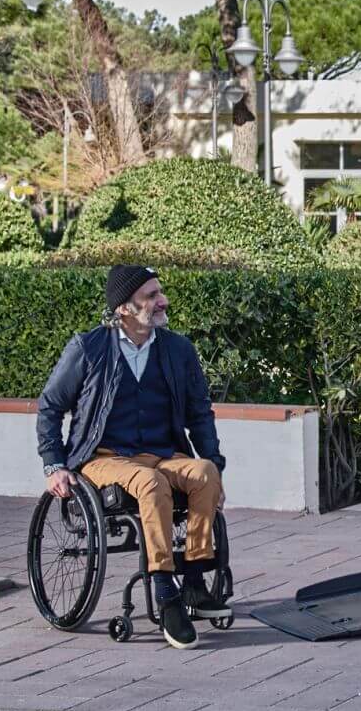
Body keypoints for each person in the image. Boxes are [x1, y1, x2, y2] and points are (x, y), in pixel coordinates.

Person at [36, 265, 230, 649]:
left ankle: (193, 581)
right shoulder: (88, 348)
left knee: (205, 473)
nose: (162, 301)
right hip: (104, 456)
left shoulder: (178, 349)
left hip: (162, 452)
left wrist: (215, 464)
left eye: (160, 292)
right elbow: (50, 407)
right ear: (124, 308)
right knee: (150, 482)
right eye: (151, 296)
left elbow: (199, 414)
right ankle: (164, 590)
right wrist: (54, 464)